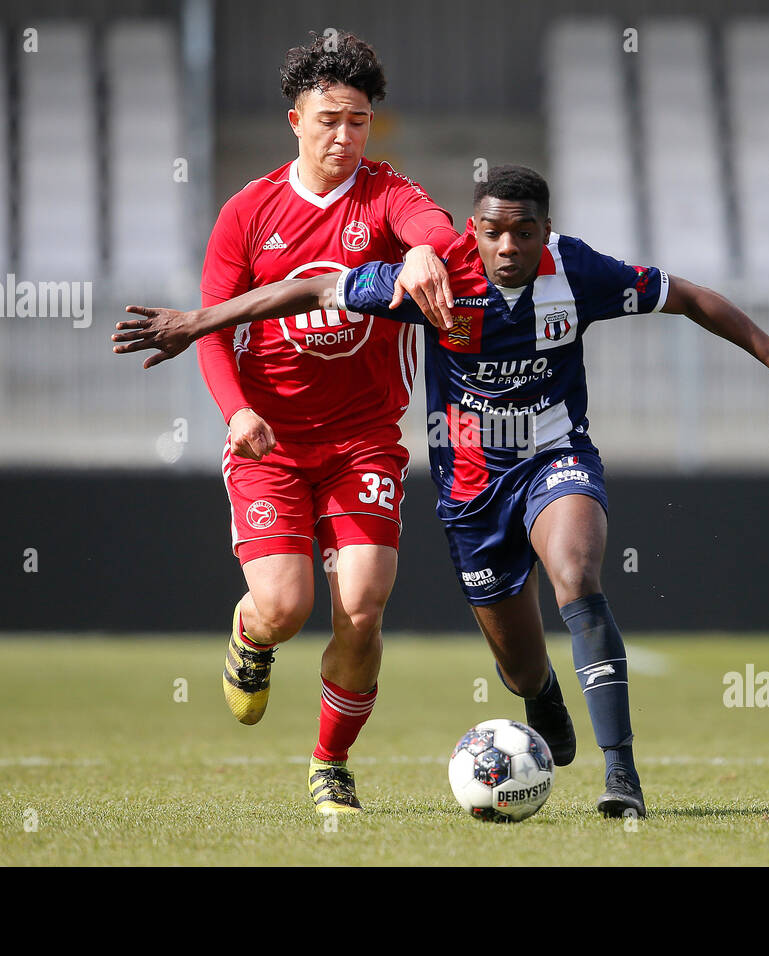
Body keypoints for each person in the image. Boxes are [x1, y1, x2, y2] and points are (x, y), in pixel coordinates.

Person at [114, 165, 769, 816]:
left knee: (577, 576)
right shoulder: (434, 276)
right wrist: (197, 322)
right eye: (492, 231)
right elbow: (312, 288)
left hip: (555, 456)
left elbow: (688, 296)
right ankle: (538, 691)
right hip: (471, 491)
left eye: (525, 231)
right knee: (516, 662)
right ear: (472, 230)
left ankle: (623, 775)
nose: (508, 246)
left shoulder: (580, 274)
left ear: (547, 230)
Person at [169, 31, 461, 815]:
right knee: (286, 607)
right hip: (271, 443)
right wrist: (238, 414)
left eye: (359, 122)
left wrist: (429, 252)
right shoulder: (247, 213)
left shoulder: (387, 194)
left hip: (364, 439)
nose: (344, 137)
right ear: (294, 119)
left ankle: (329, 762)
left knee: (362, 605)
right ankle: (251, 636)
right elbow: (212, 329)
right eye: (329, 119)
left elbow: (434, 224)